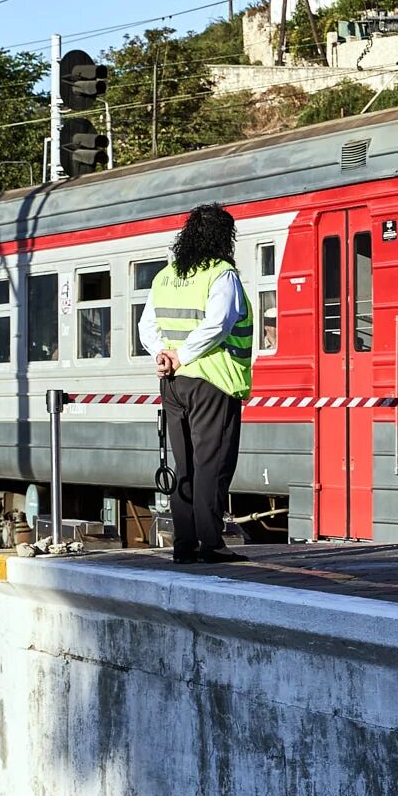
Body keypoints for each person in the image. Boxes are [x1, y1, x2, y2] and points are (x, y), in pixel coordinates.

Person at [138, 203, 253, 564]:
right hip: (212, 381)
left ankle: (184, 545)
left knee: (184, 464)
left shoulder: (166, 276)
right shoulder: (222, 274)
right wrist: (183, 355)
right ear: (223, 238)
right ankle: (212, 544)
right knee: (212, 464)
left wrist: (163, 355)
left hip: (172, 385)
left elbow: (146, 327)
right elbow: (218, 324)